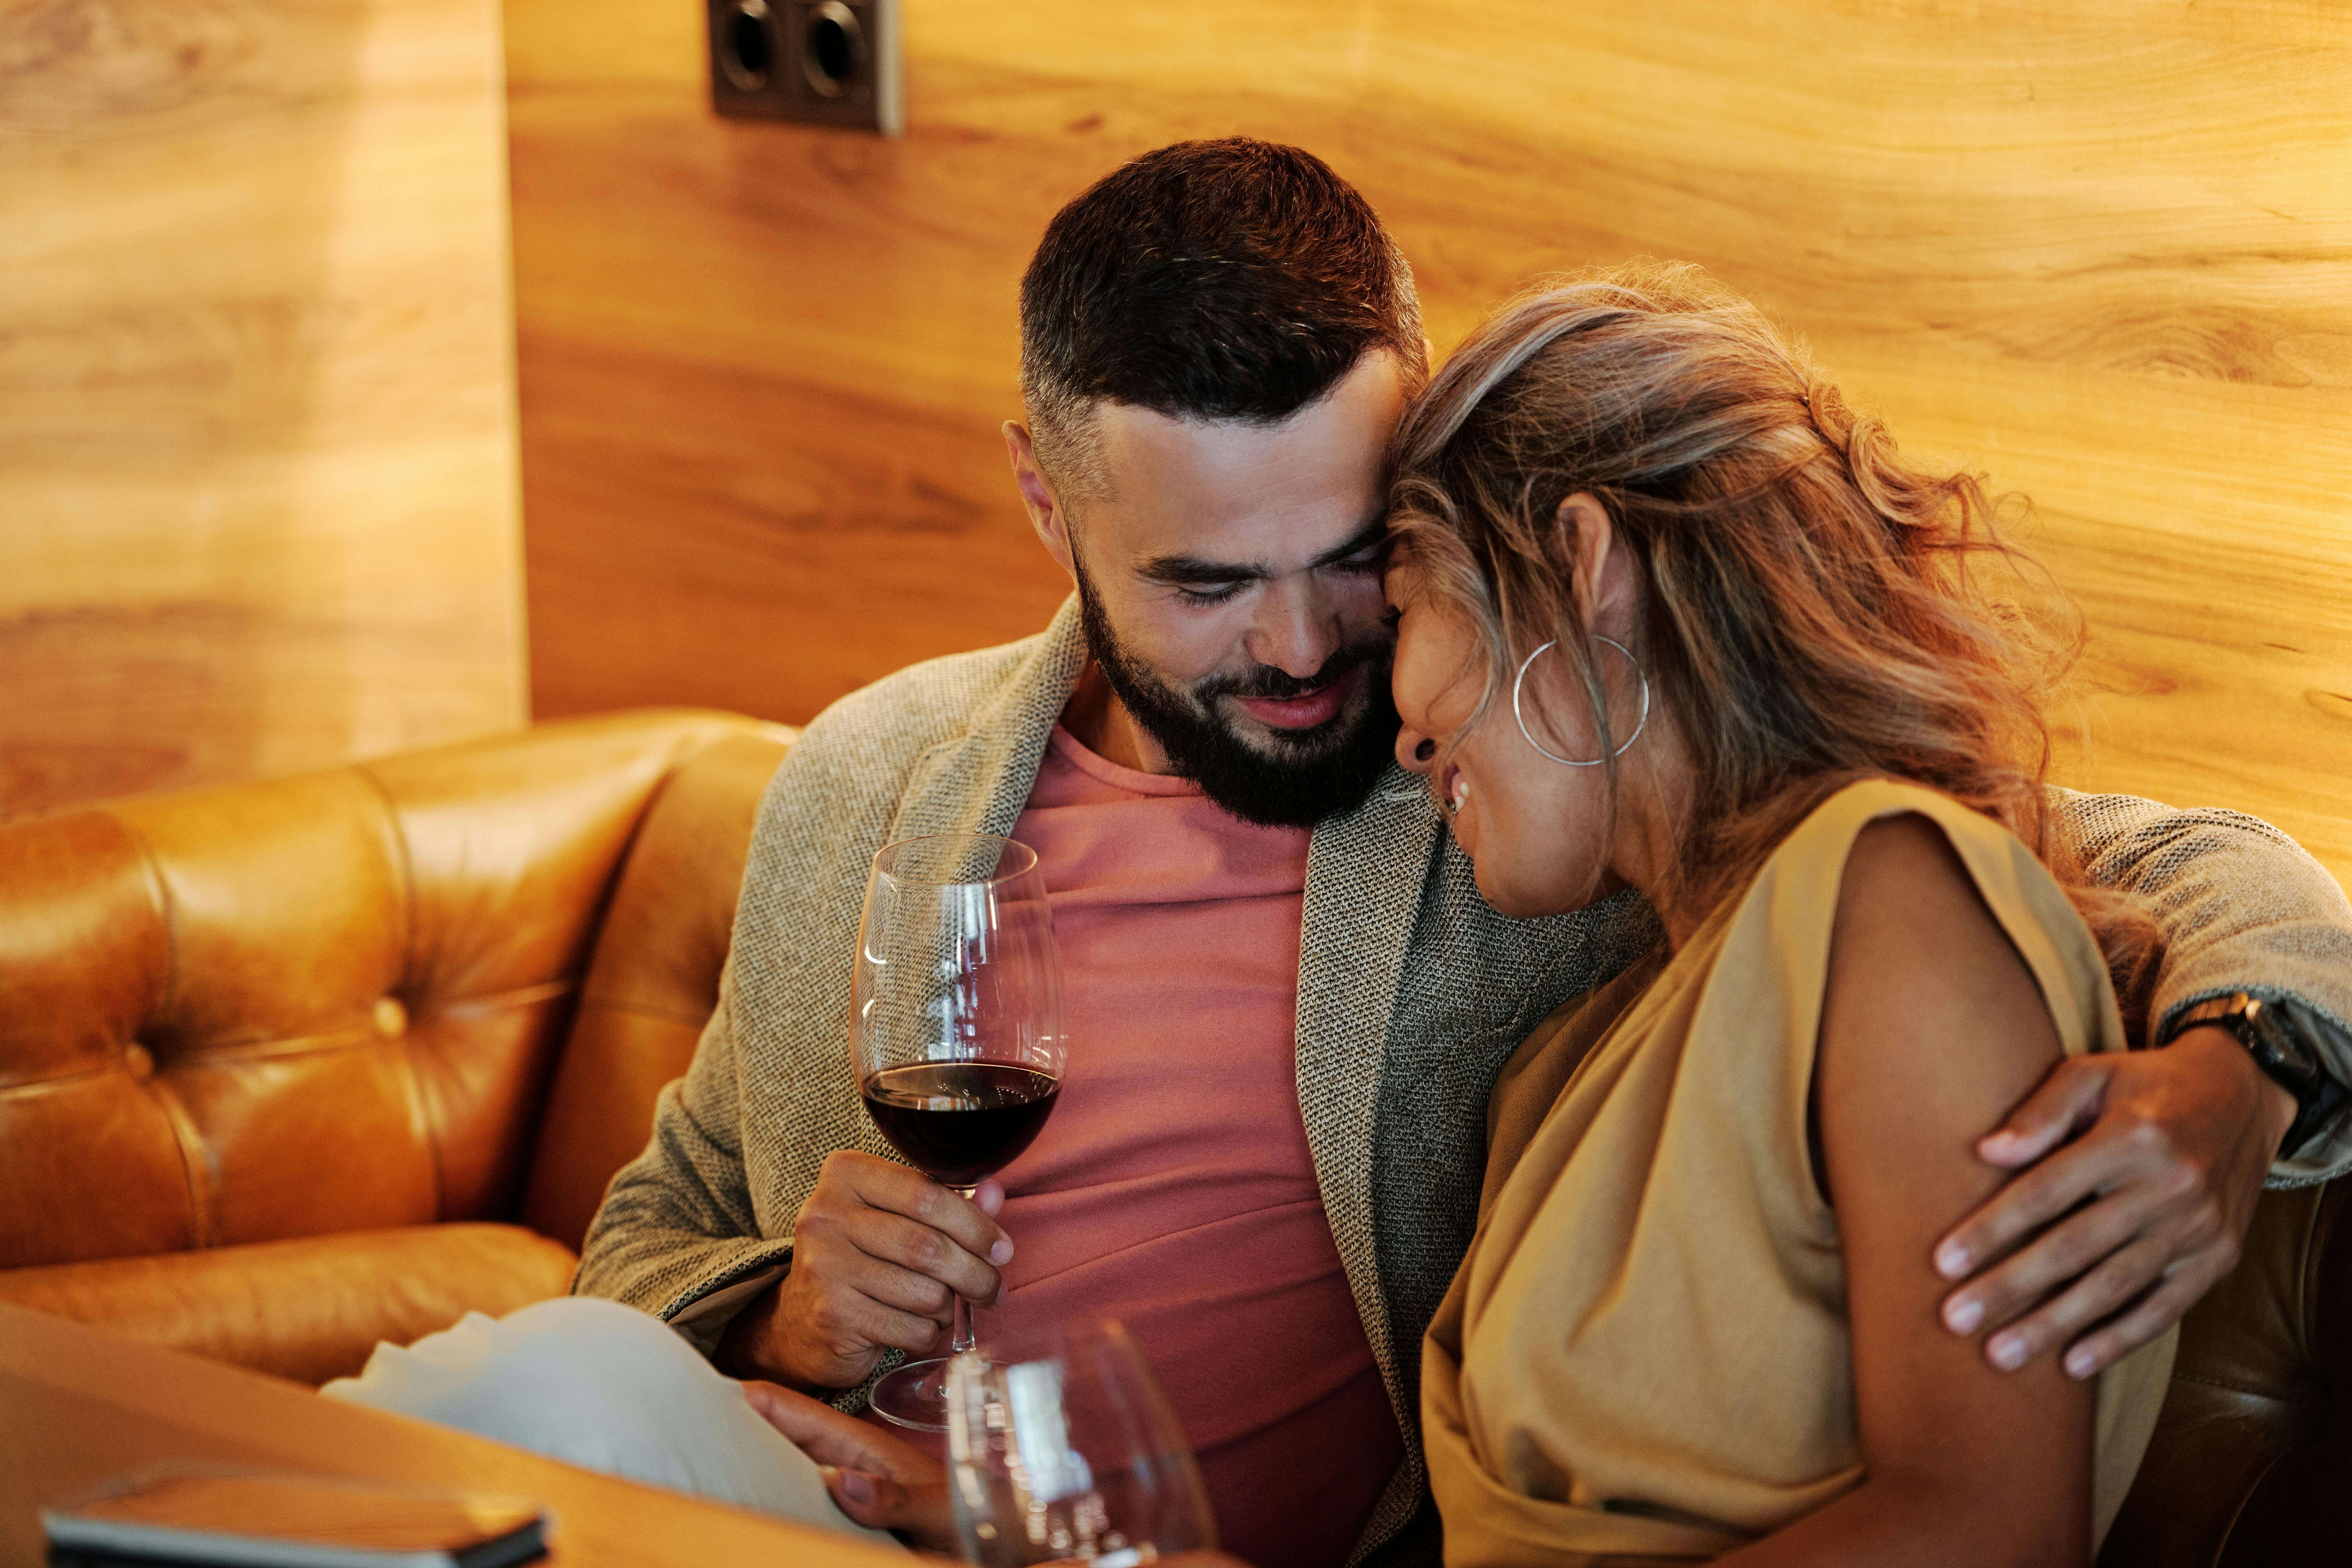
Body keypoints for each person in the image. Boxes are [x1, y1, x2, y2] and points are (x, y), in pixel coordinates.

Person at [337, 142, 2352, 1566]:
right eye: (1212, 581)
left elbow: (2083, 845)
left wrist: (2248, 1056)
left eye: (1359, 559)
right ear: (1047, 502)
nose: (1314, 653)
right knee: (565, 1378)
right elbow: (653, 1230)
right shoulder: (866, 782)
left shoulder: (1550, 807)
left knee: (514, 1410)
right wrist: (780, 1312)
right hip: (845, 1509)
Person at [1382, 261, 2223, 1563]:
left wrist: (2263, 1056)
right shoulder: (1598, 1032)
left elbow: (1985, 1526)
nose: (1400, 729)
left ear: (1582, 562)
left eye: (1405, 606)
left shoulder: (1888, 899)